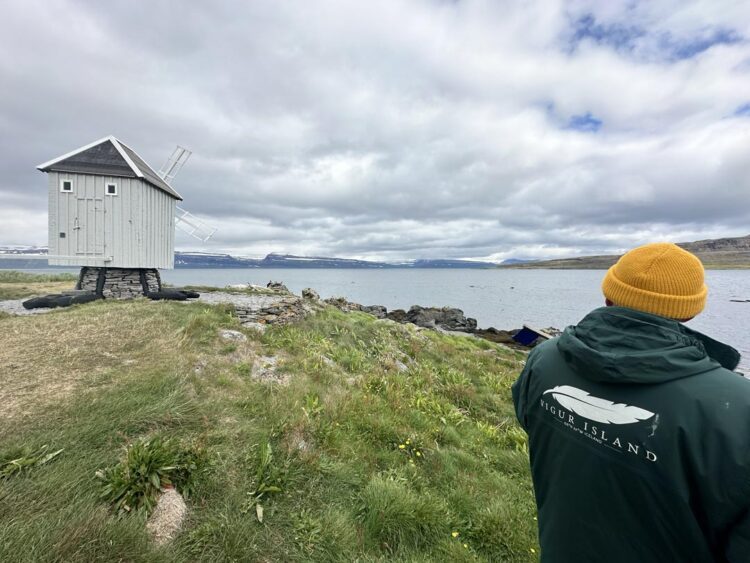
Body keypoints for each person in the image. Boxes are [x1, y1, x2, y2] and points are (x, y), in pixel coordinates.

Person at [512, 242, 746, 562]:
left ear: (608, 294)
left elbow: (530, 420)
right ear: (692, 310)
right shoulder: (737, 408)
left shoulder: (544, 359)